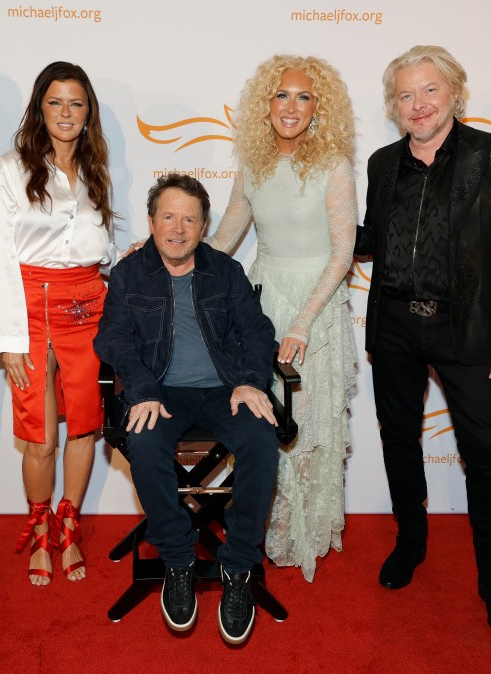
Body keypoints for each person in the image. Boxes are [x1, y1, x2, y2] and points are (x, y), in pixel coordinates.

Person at [355, 45, 491, 642]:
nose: (418, 104)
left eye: (429, 90)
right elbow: (370, 239)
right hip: (394, 325)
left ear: (455, 91)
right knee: (398, 438)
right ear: (394, 106)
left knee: (483, 452)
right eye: (405, 95)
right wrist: (308, 226)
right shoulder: (382, 164)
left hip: (469, 328)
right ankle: (411, 541)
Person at [94, 174, 279, 645]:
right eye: (169, 217)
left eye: (189, 220)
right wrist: (142, 389)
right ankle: (177, 559)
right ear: (151, 221)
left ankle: (239, 565)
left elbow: (258, 333)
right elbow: (112, 338)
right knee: (144, 444)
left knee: (261, 440)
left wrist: (249, 381)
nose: (178, 229)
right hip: (160, 391)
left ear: (203, 226)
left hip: (224, 390)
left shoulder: (226, 271)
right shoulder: (130, 273)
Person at [207, 55, 358, 582]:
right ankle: (261, 527)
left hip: (314, 309)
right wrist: (165, 251)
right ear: (265, 103)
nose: (291, 107)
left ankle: (301, 534)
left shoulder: (333, 166)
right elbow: (224, 239)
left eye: (304, 96)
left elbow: (343, 253)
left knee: (307, 423)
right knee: (260, 419)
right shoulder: (254, 165)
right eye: (282, 95)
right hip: (262, 304)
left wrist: (303, 323)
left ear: (319, 107)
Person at [0, 62, 115, 586]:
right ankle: (41, 528)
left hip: (88, 307)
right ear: (40, 109)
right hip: (31, 308)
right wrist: (9, 339)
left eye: (76, 103)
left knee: (83, 426)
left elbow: (95, 247)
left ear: (88, 113)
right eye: (55, 102)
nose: (66, 113)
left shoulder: (95, 170)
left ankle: (70, 523)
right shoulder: (12, 168)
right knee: (40, 437)